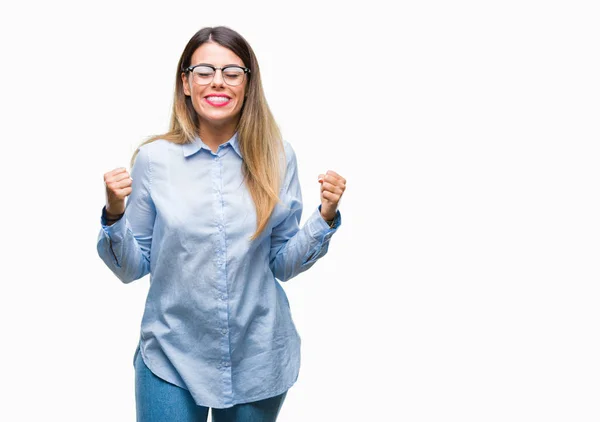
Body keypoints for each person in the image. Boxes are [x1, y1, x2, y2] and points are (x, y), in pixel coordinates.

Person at [96, 26, 346, 422]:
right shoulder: (153, 160)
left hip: (258, 356)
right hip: (171, 356)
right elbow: (130, 267)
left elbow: (282, 263)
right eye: (204, 71)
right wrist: (114, 214)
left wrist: (325, 217)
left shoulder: (277, 156)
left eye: (232, 73)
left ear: (248, 84)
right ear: (186, 83)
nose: (218, 82)